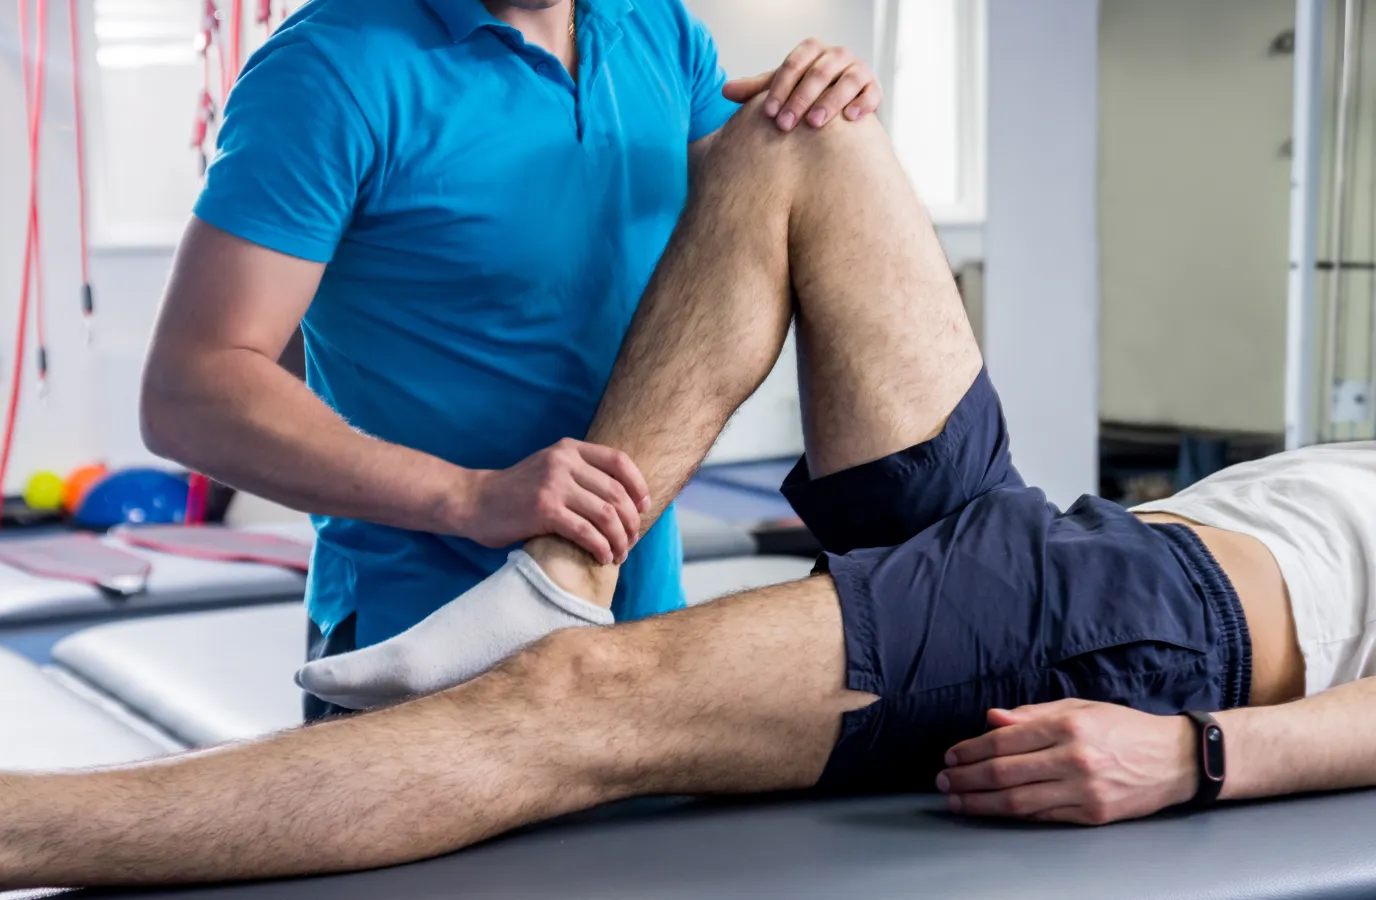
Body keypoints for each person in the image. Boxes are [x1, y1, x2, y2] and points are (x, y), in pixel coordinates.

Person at [0, 90, 1376, 900]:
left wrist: (1201, 756)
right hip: (1083, 545)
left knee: (579, 703)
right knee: (793, 141)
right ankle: (559, 566)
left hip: (1164, 637)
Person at [136, 0, 882, 721]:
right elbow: (189, 390)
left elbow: (750, 228)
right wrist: (471, 495)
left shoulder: (657, 25)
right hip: (422, 642)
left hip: (640, 629)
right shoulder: (327, 66)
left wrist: (821, 105)